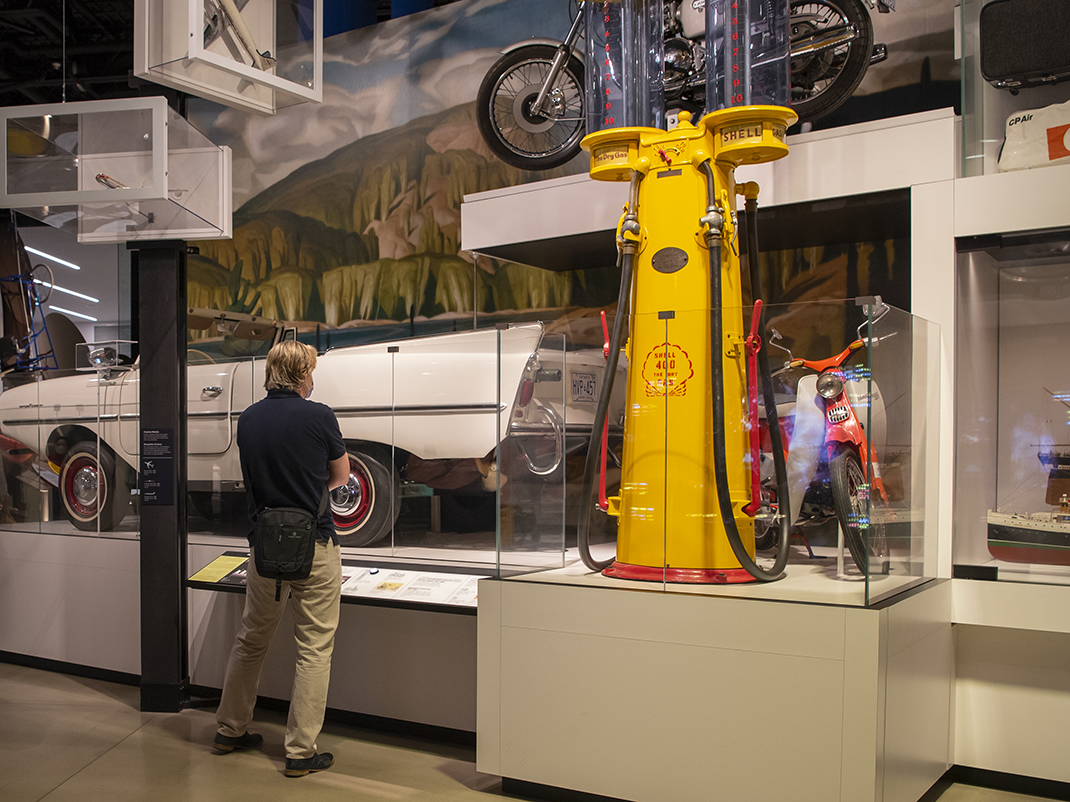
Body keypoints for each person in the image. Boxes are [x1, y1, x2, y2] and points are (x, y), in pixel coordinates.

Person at [213, 340, 349, 778]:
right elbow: (341, 475)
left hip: (262, 548)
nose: (315, 378)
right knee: (313, 648)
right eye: (311, 370)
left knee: (251, 640)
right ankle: (299, 751)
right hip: (315, 545)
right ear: (302, 373)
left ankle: (230, 729)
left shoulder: (249, 419)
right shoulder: (319, 415)